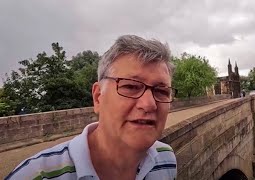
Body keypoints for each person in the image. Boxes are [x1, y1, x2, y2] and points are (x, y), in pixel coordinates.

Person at [5, 35, 177, 180]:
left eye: (161, 91)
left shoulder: (166, 159)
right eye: (131, 87)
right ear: (98, 97)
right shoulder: (35, 175)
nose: (148, 104)